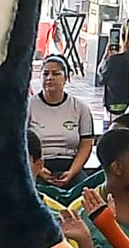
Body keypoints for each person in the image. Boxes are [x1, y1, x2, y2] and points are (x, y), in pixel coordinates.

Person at [24, 55, 92, 201]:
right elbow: (20, 141)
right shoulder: (28, 106)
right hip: (39, 165)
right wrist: (39, 170)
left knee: (86, 192)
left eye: (56, 74)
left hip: (70, 165)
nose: (50, 78)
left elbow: (86, 144)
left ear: (65, 78)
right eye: (45, 74)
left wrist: (72, 172)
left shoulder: (80, 108)